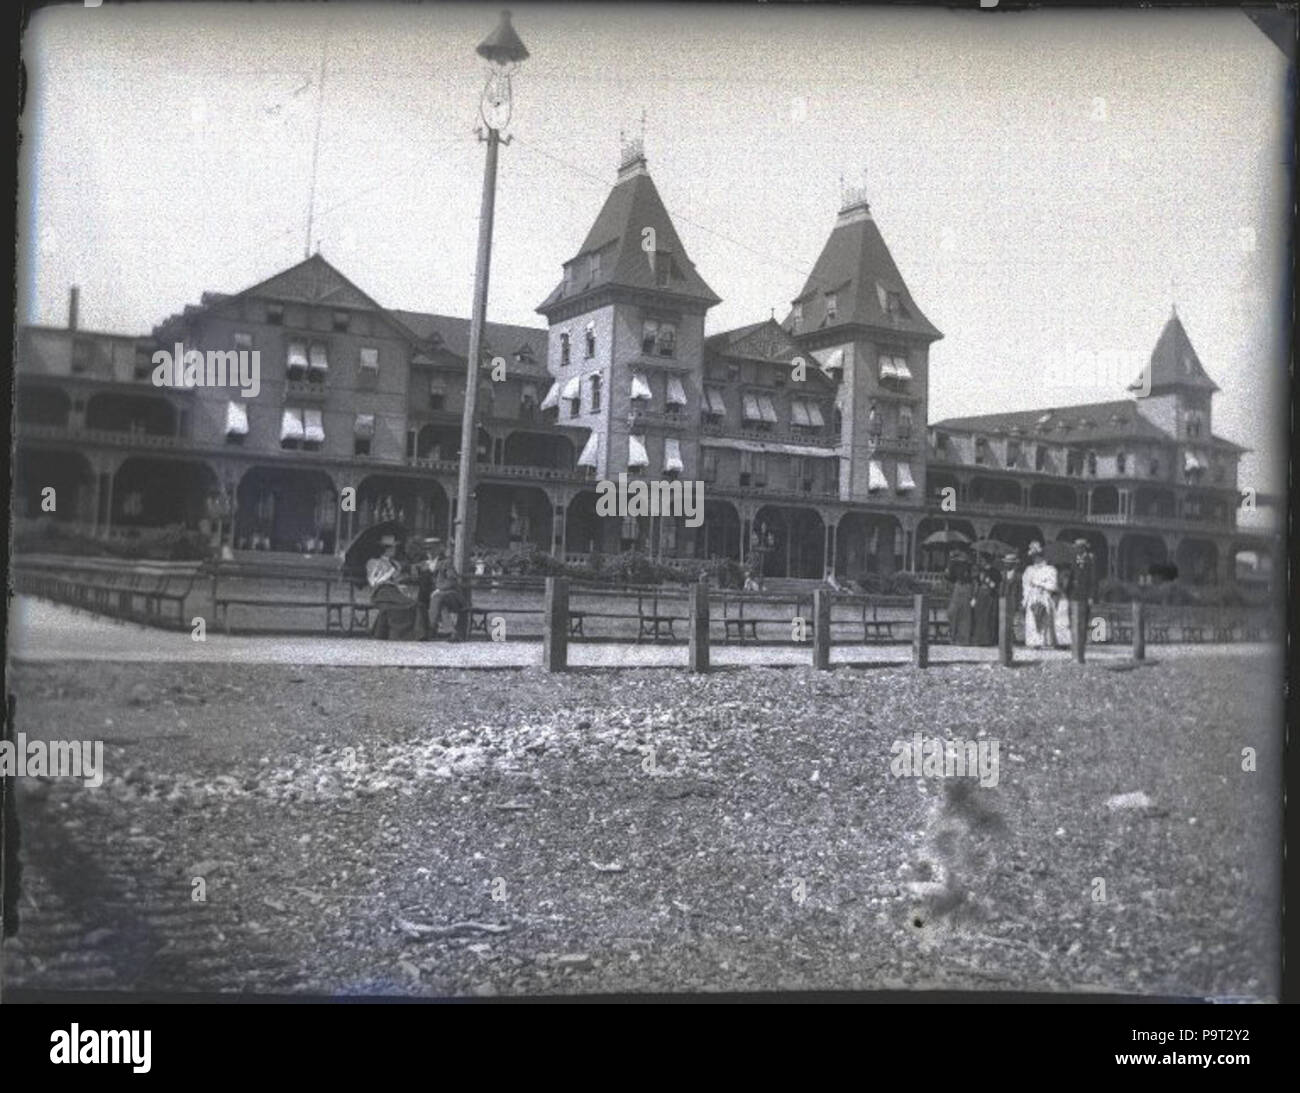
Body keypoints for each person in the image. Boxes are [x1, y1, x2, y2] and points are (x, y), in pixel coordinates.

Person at [367, 535, 424, 640]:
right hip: (381, 592)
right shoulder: (374, 562)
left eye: (394, 548)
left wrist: (399, 582)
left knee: (412, 605)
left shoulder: (395, 563)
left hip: (394, 591)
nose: (394, 550)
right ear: (385, 549)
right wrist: (391, 571)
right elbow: (374, 581)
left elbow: (395, 581)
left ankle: (409, 634)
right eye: (392, 548)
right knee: (412, 604)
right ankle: (416, 634)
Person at [1021, 541, 1058, 648]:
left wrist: (1040, 584)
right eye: (1033, 557)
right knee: (1032, 619)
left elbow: (1053, 585)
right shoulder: (1029, 570)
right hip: (1032, 597)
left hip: (1045, 597)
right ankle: (1033, 642)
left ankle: (1043, 641)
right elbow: (1025, 586)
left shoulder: (1050, 570)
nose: (1035, 559)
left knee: (1044, 619)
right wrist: (1025, 600)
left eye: (1038, 556)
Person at [427, 545, 469, 641]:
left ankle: (431, 628)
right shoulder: (426, 564)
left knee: (437, 598)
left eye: (431, 549)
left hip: (453, 596)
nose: (429, 552)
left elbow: (451, 581)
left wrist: (439, 589)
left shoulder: (446, 563)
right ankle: (451, 632)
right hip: (438, 599)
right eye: (427, 550)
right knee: (441, 606)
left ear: (438, 551)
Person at [945, 549, 975, 644]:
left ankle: (963, 639)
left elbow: (972, 578)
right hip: (959, 587)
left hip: (966, 587)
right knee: (954, 612)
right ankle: (954, 636)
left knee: (965, 614)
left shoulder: (969, 565)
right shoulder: (954, 564)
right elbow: (950, 577)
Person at [971, 561, 999, 646]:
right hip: (980, 596)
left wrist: (988, 580)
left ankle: (987, 640)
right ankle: (979, 639)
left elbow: (994, 586)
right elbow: (976, 586)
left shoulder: (994, 572)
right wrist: (974, 598)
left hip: (988, 596)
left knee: (987, 618)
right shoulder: (979, 573)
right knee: (979, 618)